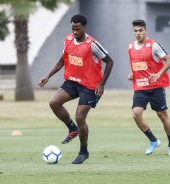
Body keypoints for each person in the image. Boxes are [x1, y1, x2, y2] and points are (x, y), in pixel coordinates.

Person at [38, 14, 114, 164]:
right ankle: (72, 129)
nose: (75, 32)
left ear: (84, 27)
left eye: (78, 29)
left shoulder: (92, 44)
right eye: (73, 28)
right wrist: (47, 76)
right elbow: (62, 61)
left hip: (90, 86)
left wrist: (102, 83)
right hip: (73, 82)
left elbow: (110, 62)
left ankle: (83, 151)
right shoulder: (68, 39)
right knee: (54, 103)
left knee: (80, 117)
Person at [127, 19, 170, 156]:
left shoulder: (153, 45)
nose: (138, 33)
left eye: (140, 30)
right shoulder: (130, 47)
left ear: (145, 30)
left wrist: (158, 74)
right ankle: (153, 140)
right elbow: (137, 65)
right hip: (140, 87)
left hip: (156, 87)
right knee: (136, 114)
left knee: (162, 115)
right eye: (136, 31)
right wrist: (132, 74)